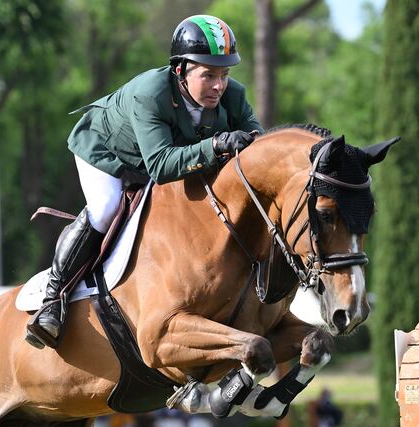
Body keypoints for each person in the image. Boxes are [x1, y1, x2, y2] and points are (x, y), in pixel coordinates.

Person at [26, 15, 264, 349]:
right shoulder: (150, 94)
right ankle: (54, 299)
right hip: (106, 154)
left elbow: (259, 142)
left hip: (161, 158)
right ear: (180, 70)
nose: (218, 85)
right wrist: (216, 145)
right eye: (208, 74)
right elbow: (162, 165)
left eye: (224, 74)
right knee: (107, 208)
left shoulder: (232, 95)